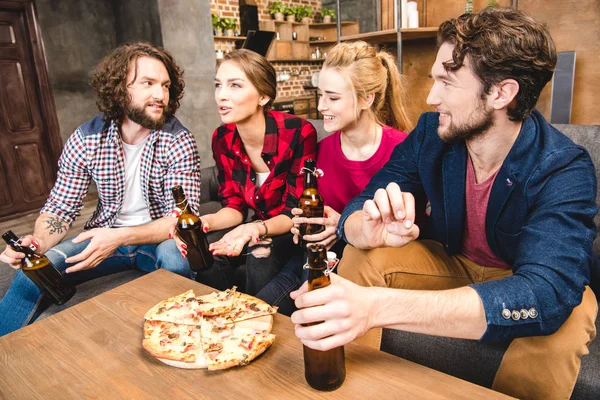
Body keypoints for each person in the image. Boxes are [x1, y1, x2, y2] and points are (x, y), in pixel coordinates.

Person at [290, 8, 598, 399]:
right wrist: (363, 228)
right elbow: (359, 204)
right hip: (451, 261)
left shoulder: (563, 166)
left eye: (447, 83)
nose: (431, 97)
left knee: (567, 317)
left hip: (518, 274)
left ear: (501, 93)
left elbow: (545, 290)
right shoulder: (431, 134)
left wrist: (376, 307)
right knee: (363, 256)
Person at [0, 42, 200, 336]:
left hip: (158, 238)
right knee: (33, 274)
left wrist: (119, 236)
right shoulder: (86, 139)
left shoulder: (178, 139)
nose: (160, 95)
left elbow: (180, 220)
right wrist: (38, 242)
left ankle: (177, 340)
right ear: (120, 89)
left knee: (177, 258)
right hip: (103, 236)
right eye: (148, 83)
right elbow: (60, 208)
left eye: (166, 85)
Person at [255, 41, 411, 315]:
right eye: (320, 95)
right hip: (317, 259)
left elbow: (412, 232)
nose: (321, 105)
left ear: (367, 99)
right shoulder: (320, 151)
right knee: (256, 310)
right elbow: (312, 212)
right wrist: (302, 224)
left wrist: (343, 225)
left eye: (333, 97)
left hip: (367, 265)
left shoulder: (402, 150)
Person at [174, 49, 317, 295]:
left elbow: (295, 211)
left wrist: (256, 229)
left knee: (261, 254)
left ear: (263, 96)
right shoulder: (222, 137)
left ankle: (253, 321)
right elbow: (234, 206)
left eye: (235, 86)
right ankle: (224, 315)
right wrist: (204, 223)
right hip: (254, 227)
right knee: (204, 255)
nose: (222, 96)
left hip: (288, 232)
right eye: (218, 85)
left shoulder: (298, 132)